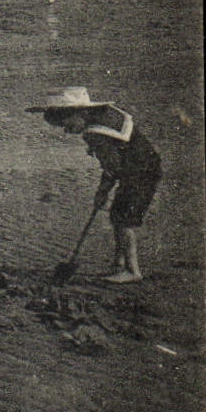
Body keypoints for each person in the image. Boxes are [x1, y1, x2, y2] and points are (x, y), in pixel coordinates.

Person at [28, 87, 161, 283]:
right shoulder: (104, 116)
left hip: (140, 174)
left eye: (66, 124)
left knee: (122, 220)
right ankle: (118, 265)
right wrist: (106, 190)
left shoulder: (95, 134)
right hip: (143, 168)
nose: (66, 131)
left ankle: (132, 271)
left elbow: (112, 168)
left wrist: (102, 192)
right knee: (118, 216)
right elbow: (117, 164)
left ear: (78, 113)